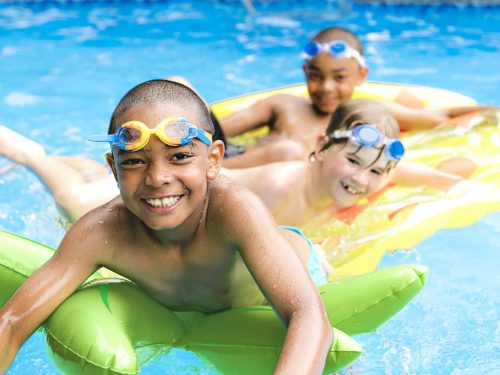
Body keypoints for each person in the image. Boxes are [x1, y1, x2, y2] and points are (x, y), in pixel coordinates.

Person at [0, 79, 333, 374]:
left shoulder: (235, 210)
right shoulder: (101, 232)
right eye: (133, 161)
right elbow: (13, 322)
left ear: (214, 160)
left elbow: (307, 315)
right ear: (113, 169)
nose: (157, 178)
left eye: (179, 157)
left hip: (296, 271)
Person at [218, 26, 487, 168]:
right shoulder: (283, 105)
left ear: (361, 75)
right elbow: (216, 130)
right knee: (287, 151)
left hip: (286, 184)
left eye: (339, 77)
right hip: (238, 163)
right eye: (315, 75)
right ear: (304, 71)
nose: (326, 87)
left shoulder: (367, 114)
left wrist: (489, 113)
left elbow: (438, 118)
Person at [222, 99, 477, 227]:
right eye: (353, 161)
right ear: (321, 147)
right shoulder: (277, 189)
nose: (361, 178)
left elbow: (404, 173)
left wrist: (456, 186)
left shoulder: (358, 177)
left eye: (375, 170)